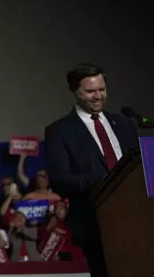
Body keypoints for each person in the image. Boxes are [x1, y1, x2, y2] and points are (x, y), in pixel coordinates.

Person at [45, 63, 140, 277]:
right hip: (96, 223)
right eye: (90, 91)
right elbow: (60, 179)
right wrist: (105, 182)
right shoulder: (59, 131)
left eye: (102, 89)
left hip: (137, 219)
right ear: (75, 91)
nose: (98, 96)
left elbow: (140, 168)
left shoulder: (124, 123)